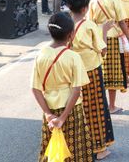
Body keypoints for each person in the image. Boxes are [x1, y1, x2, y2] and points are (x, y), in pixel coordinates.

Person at [31, 12, 93, 162]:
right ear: (71, 35)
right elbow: (76, 90)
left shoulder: (40, 55)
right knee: (74, 151)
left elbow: (35, 88)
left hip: (50, 109)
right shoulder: (73, 57)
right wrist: (63, 117)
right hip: (71, 110)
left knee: (51, 150)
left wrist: (47, 114)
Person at [64, 0, 114, 160]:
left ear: (69, 6)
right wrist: (105, 30)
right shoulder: (89, 25)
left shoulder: (65, 25)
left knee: (78, 110)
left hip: (71, 74)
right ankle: (99, 149)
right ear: (85, 8)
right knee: (96, 110)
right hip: (91, 72)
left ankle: (78, 147)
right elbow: (104, 50)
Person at [88, 0, 129, 114]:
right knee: (113, 74)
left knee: (100, 72)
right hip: (113, 40)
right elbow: (122, 22)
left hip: (97, 40)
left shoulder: (93, 1)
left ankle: (99, 105)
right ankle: (112, 105)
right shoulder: (115, 0)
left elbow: (90, 24)